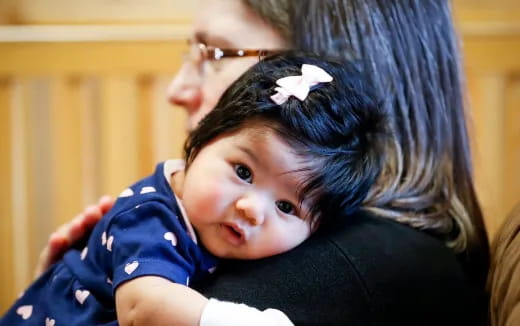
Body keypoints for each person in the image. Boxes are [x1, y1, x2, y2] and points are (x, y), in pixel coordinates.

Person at [35, 0, 490, 325]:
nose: (177, 89)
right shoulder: (403, 251)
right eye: (243, 173)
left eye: (216, 54)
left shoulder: (323, 276)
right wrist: (74, 292)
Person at [2, 53, 389, 326]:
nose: (253, 209)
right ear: (202, 140)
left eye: (287, 207)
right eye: (243, 171)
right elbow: (144, 309)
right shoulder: (151, 215)